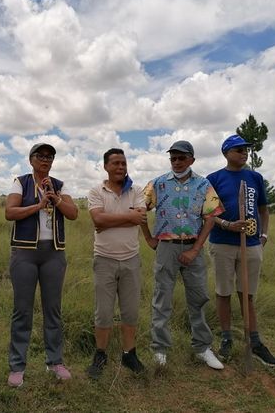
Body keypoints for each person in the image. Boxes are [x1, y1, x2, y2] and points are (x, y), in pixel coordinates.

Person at [142, 140, 224, 370]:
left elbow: (211, 217)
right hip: (166, 248)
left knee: (198, 298)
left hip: (193, 247)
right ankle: (160, 349)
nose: (177, 162)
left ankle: (202, 347)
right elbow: (139, 209)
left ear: (192, 160)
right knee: (162, 299)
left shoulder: (203, 185)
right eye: (173, 158)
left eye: (181, 158)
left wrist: (195, 249)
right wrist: (149, 238)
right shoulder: (158, 184)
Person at [5, 143, 79, 388]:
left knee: (53, 310)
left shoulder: (59, 185)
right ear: (31, 159)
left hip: (53, 254)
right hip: (25, 252)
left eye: (50, 156)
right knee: (22, 311)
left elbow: (73, 213)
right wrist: (38, 206)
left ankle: (55, 362)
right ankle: (17, 366)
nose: (45, 160)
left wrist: (55, 199)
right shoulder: (21, 182)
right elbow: (10, 212)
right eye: (41, 156)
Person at [207, 134, 275, 367]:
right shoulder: (214, 179)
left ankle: (255, 342)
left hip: (251, 244)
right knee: (223, 292)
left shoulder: (255, 177)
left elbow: (263, 210)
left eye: (246, 150)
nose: (244, 153)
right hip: (222, 243)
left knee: (247, 294)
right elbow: (208, 213)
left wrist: (264, 235)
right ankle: (226, 338)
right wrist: (227, 224)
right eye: (238, 150)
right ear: (226, 153)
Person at [85, 148, 155, 379]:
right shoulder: (96, 191)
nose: (120, 167)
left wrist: (107, 222)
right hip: (104, 259)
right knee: (103, 311)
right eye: (115, 163)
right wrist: (128, 218)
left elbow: (139, 218)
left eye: (123, 163)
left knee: (130, 310)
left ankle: (129, 354)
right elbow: (97, 219)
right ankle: (100, 354)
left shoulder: (136, 191)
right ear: (105, 166)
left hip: (131, 259)